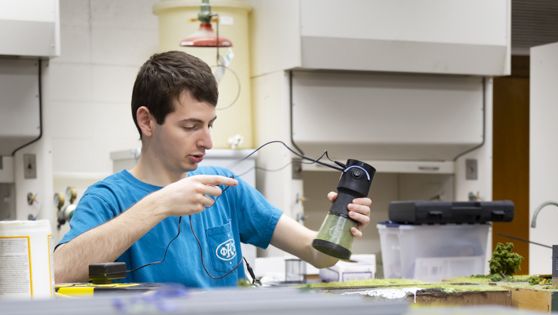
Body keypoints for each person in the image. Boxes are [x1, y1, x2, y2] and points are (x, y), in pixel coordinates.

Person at [53, 51, 371, 288]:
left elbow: (318, 255)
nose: (207, 140)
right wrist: (159, 204)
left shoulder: (225, 188)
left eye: (209, 125)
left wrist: (341, 223)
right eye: (191, 126)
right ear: (147, 121)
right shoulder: (107, 198)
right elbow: (59, 271)